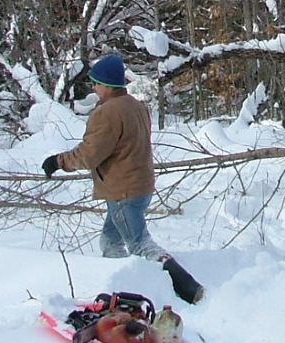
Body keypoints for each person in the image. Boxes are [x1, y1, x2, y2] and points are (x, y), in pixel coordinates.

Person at [41, 54, 203, 303]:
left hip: (122, 191)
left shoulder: (108, 113)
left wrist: (58, 162)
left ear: (107, 84)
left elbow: (89, 154)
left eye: (96, 83)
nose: (93, 88)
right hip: (139, 186)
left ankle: (187, 288)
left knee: (140, 244)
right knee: (110, 240)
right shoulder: (136, 106)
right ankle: (120, 288)